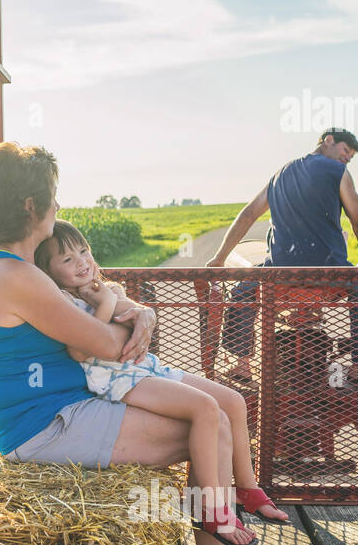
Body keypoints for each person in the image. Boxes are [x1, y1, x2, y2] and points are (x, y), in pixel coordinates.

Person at [0, 142, 295, 545]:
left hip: (72, 405)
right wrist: (137, 318)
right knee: (211, 426)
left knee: (217, 414)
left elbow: (100, 323)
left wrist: (137, 312)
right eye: (53, 196)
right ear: (30, 206)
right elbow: (102, 343)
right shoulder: (14, 276)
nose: (58, 206)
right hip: (45, 425)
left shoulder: (22, 268)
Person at [35, 218, 288, 523]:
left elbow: (135, 310)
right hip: (119, 382)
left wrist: (127, 305)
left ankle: (248, 488)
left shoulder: (104, 288)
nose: (81, 261)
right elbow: (79, 350)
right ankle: (210, 506)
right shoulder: (64, 301)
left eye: (84, 250)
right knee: (205, 409)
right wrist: (104, 303)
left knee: (233, 401)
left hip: (147, 368)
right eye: (67, 258)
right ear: (49, 271)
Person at [208, 128, 358, 389]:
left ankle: (242, 364)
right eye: (346, 151)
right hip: (330, 274)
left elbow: (248, 214)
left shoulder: (280, 174)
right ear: (328, 141)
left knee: (243, 290)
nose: (347, 158)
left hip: (278, 275)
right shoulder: (337, 172)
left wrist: (219, 257)